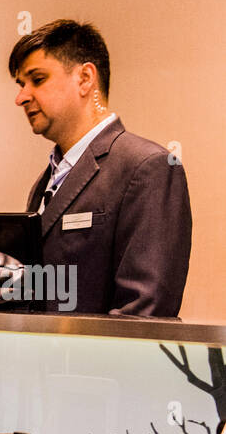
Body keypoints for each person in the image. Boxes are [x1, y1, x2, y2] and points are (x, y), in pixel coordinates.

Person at [10, 19, 190, 316]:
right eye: (21, 85)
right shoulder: (43, 184)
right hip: (41, 359)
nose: (21, 97)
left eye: (37, 79)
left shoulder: (147, 167)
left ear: (84, 78)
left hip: (99, 362)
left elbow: (145, 310)